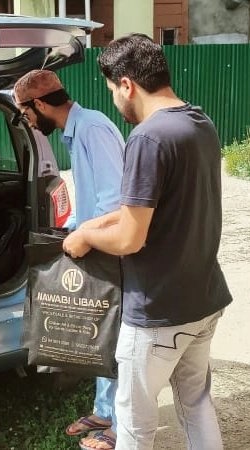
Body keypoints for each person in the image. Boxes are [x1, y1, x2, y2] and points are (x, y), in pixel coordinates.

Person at [63, 34, 233, 450]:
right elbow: (138, 209)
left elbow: (129, 237)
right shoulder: (198, 122)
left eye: (112, 90)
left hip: (158, 313)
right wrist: (88, 226)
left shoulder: (147, 138)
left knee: (135, 424)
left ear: (127, 85)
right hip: (203, 300)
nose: (116, 103)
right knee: (195, 404)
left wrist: (86, 239)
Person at [13, 69, 124, 449]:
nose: (27, 120)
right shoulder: (75, 132)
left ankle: (119, 427)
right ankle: (104, 411)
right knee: (100, 334)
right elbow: (92, 200)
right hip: (95, 242)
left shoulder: (92, 128)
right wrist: (67, 228)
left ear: (40, 104)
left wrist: (85, 237)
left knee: (115, 338)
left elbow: (116, 202)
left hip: (110, 249)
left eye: (25, 113)